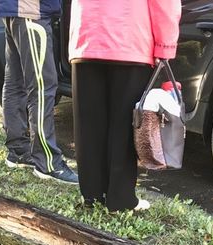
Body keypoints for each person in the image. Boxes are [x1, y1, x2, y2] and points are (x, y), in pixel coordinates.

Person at [69, 0, 181, 211]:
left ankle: (92, 196)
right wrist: (165, 45)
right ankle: (120, 199)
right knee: (124, 125)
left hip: (86, 36)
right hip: (130, 38)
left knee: (89, 125)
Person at [0, 0, 78, 185]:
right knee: (42, 88)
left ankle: (18, 151)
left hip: (14, 10)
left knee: (16, 84)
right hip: (31, 11)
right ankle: (48, 162)